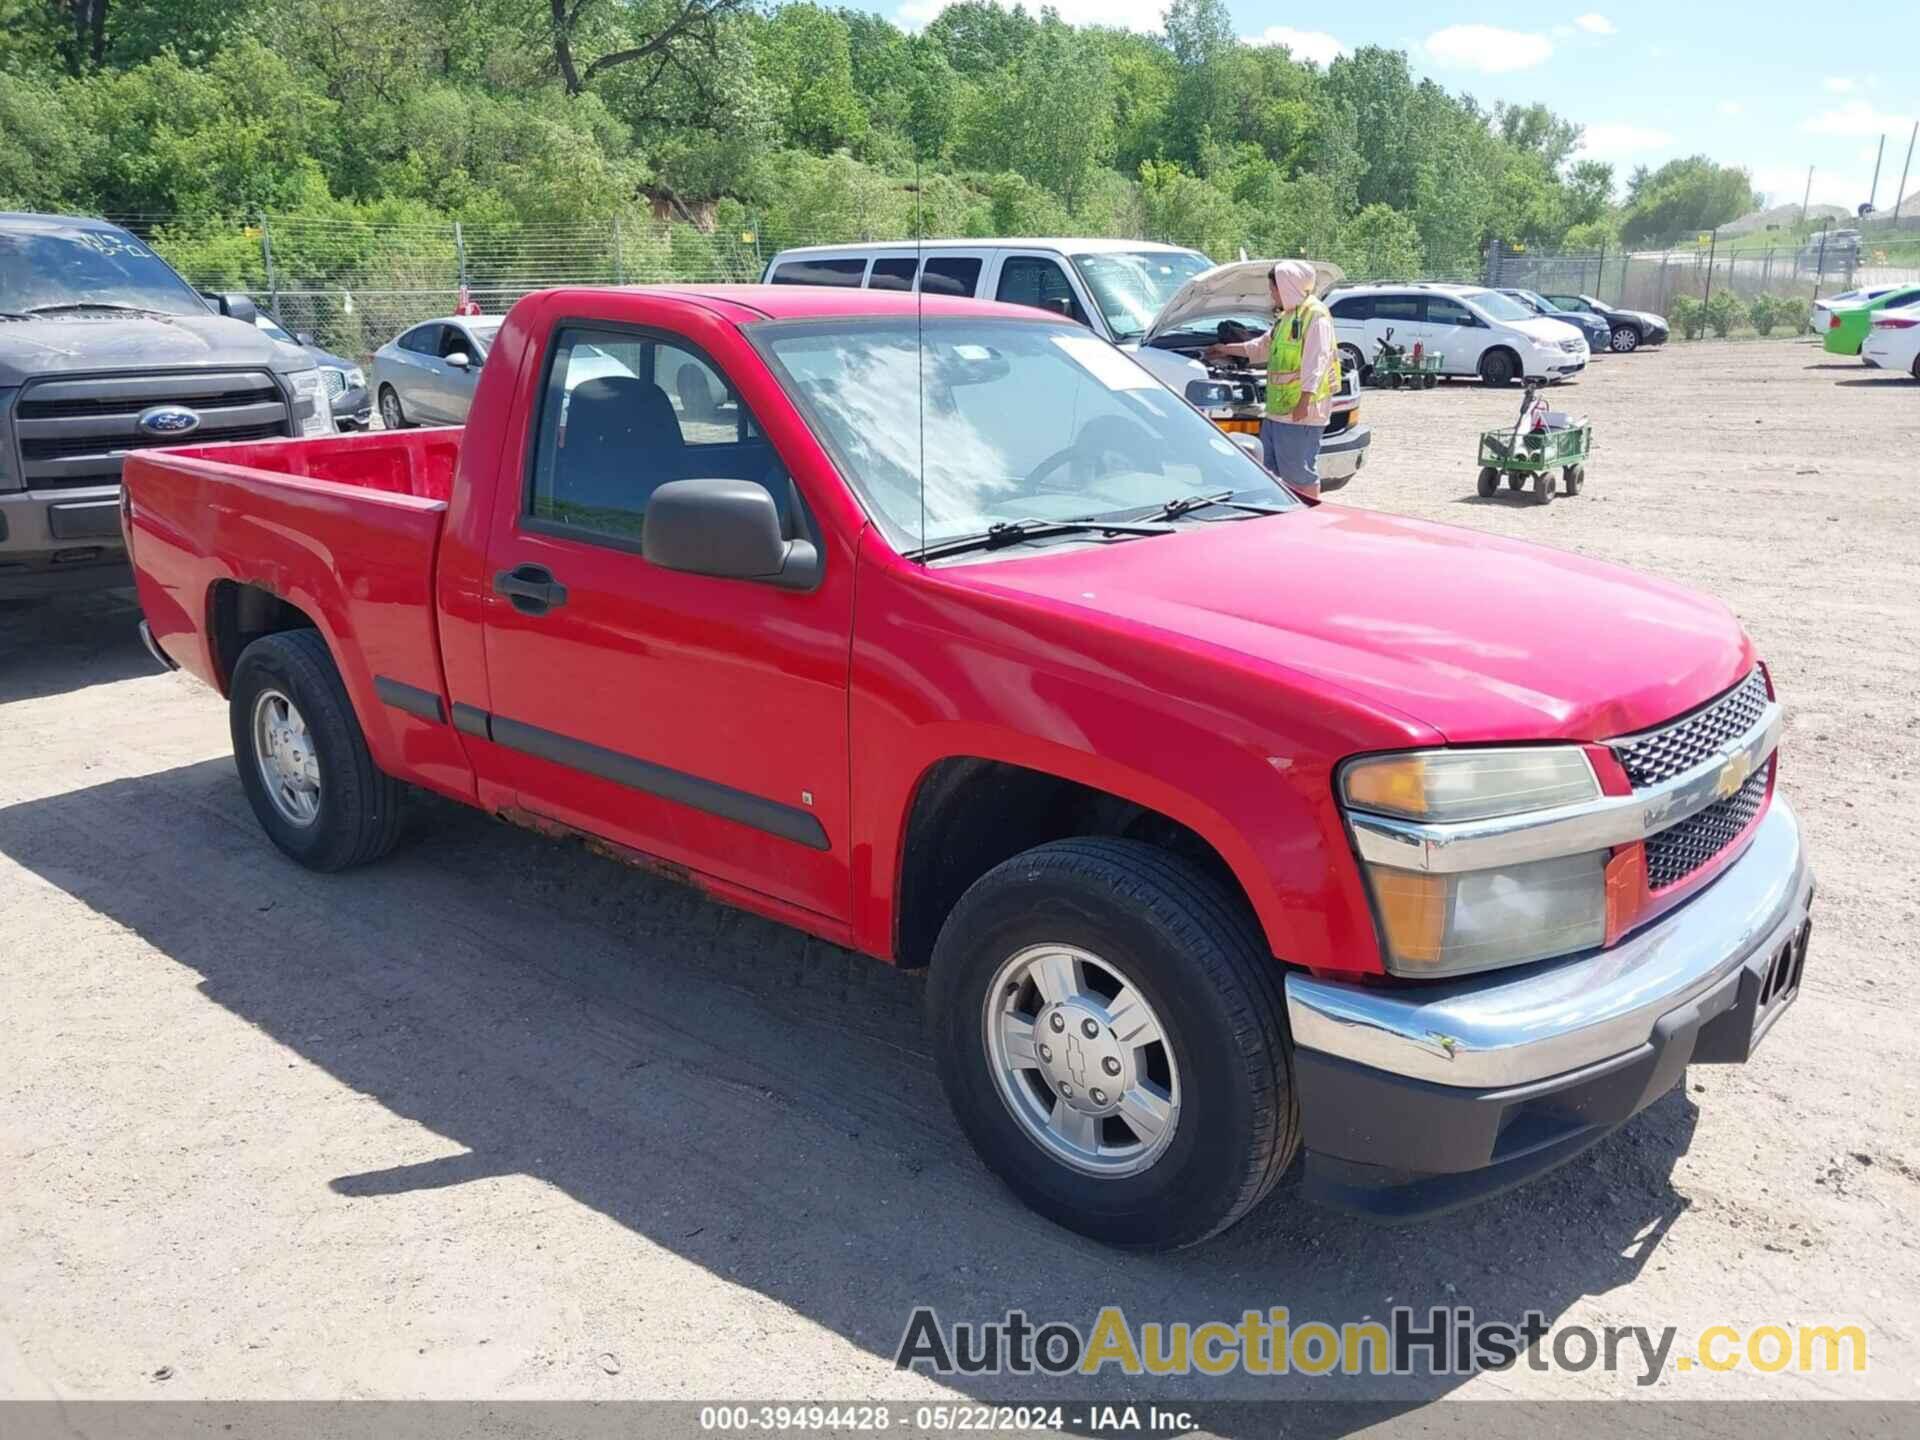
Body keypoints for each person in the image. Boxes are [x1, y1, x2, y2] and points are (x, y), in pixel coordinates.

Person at [1204, 260, 1338, 498]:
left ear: (1285, 286)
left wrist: (1305, 400)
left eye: (1272, 289)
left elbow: (1316, 360)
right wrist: (1225, 349)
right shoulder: (1287, 317)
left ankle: (1307, 521)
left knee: (1300, 474)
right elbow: (1261, 347)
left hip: (1301, 414)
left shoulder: (1315, 316)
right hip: (1278, 410)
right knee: (1272, 471)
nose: (1271, 294)